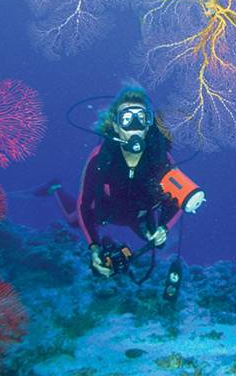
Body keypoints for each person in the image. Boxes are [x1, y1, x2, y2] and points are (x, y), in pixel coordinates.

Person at [52, 85, 180, 277]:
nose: (135, 127)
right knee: (73, 220)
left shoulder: (162, 159)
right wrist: (94, 248)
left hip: (140, 216)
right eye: (128, 119)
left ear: (149, 124)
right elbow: (84, 205)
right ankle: (55, 188)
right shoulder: (100, 157)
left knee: (161, 244)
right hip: (107, 211)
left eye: (141, 118)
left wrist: (163, 227)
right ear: (116, 126)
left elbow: (178, 199)